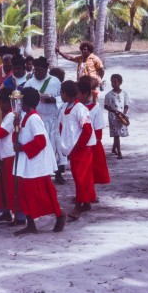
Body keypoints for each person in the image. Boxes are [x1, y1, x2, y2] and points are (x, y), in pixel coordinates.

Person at [12, 87, 66, 235]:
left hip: (36, 162)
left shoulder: (34, 118)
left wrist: (23, 148)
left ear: (26, 102)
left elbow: (41, 141)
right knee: (25, 193)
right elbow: (20, 138)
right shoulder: (25, 117)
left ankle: (59, 215)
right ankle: (31, 224)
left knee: (45, 192)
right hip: (28, 161)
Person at [0, 88, 27, 225]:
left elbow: (1, 133)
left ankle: (19, 216)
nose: (0, 105)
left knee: (12, 186)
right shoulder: (7, 115)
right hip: (4, 154)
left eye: (2, 103)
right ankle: (6, 212)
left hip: (10, 155)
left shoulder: (11, 116)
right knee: (2, 185)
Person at [23, 57, 65, 184]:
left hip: (52, 119)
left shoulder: (55, 81)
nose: (38, 73)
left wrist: (54, 100)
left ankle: (58, 173)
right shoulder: (29, 83)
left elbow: (63, 97)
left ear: (46, 69)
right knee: (41, 147)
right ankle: (43, 173)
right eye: (36, 70)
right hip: (37, 119)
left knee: (56, 147)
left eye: (41, 70)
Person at [59, 81, 97, 220]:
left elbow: (87, 130)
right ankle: (86, 201)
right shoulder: (64, 108)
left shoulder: (79, 108)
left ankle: (79, 205)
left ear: (64, 93)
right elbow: (63, 127)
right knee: (77, 176)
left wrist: (78, 147)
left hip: (82, 147)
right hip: (72, 148)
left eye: (61, 92)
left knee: (82, 176)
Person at [78, 77, 110, 193]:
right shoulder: (76, 108)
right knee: (82, 172)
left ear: (86, 94)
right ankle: (85, 194)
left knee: (91, 170)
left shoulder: (95, 109)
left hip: (93, 144)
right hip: (80, 143)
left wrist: (95, 141)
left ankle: (91, 194)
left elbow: (98, 128)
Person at [104, 74, 130, 159]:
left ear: (120, 82)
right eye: (112, 82)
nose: (113, 84)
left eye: (115, 82)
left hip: (121, 117)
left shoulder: (125, 94)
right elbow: (106, 106)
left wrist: (124, 114)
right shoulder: (108, 95)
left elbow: (126, 105)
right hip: (113, 117)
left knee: (117, 134)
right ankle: (119, 152)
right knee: (116, 134)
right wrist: (115, 111)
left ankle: (113, 149)